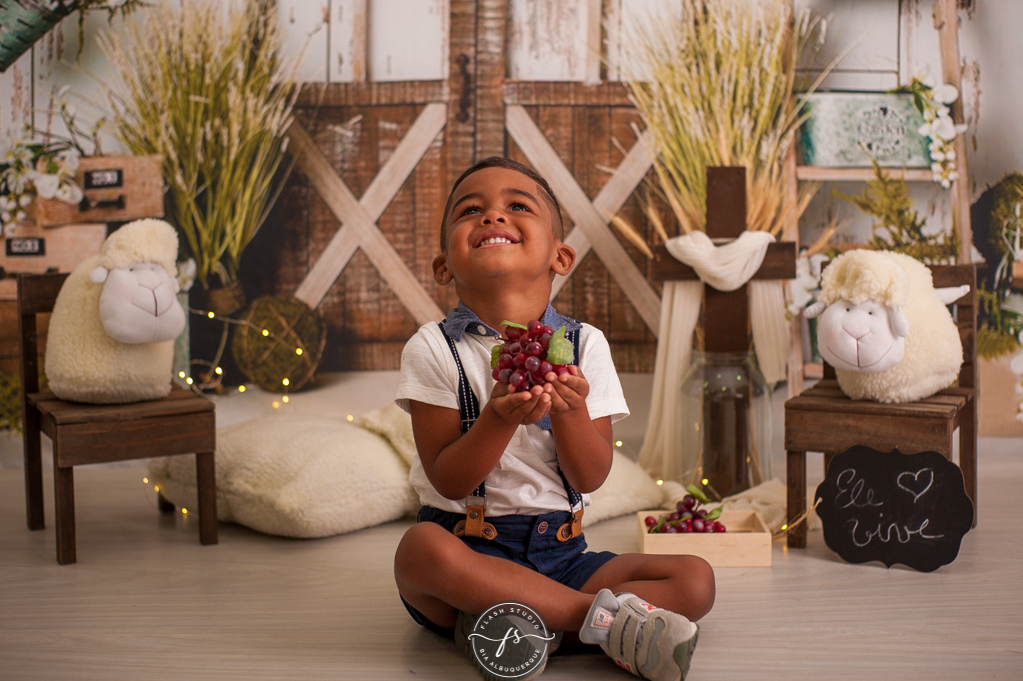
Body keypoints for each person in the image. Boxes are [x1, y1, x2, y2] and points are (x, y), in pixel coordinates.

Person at [393, 157, 714, 681]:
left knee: (695, 579)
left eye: (517, 206)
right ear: (444, 266)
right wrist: (496, 419)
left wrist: (571, 410)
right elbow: (448, 479)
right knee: (419, 552)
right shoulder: (432, 348)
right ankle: (601, 625)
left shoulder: (586, 345)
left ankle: (510, 631)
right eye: (471, 210)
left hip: (563, 554)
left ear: (560, 257)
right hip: (469, 550)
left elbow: (590, 476)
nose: (494, 216)